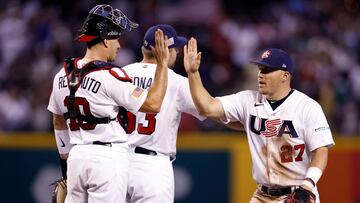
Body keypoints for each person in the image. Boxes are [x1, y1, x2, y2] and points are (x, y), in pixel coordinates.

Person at [183, 40, 334, 203]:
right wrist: (193, 73)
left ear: (285, 76)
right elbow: (208, 107)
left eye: (267, 70)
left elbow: (321, 150)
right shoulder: (248, 100)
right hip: (262, 194)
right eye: (260, 69)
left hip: (297, 192)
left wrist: (307, 185)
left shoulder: (307, 107)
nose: (260, 74)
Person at [47, 4, 170, 203]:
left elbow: (58, 121)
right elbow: (153, 104)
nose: (119, 45)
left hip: (76, 158)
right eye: (116, 39)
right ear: (105, 40)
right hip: (107, 158)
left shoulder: (61, 75)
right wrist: (162, 65)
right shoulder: (111, 76)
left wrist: (65, 164)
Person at [121, 24, 205, 203]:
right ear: (166, 50)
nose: (177, 53)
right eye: (175, 49)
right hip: (153, 167)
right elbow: (209, 109)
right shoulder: (175, 80)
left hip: (118, 163)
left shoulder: (121, 74)